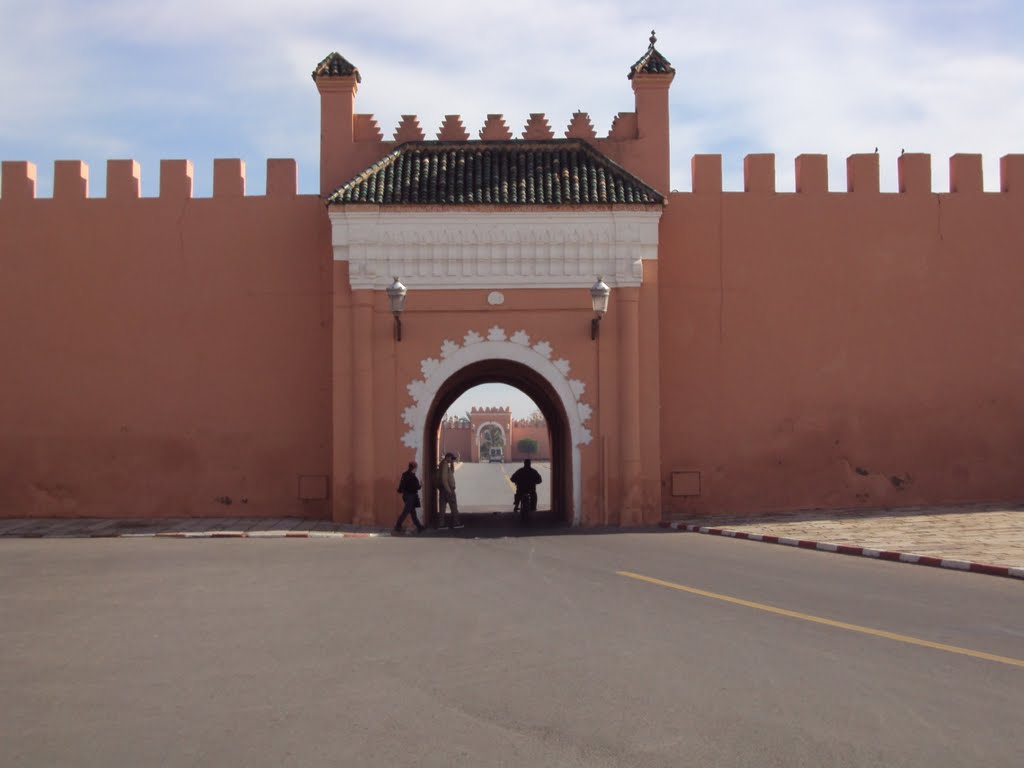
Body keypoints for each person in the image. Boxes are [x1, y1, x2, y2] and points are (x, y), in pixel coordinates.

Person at [393, 461, 424, 534]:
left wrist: (400, 490)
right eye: (416, 468)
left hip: (406, 496)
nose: (416, 469)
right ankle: (397, 526)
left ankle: (419, 526)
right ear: (414, 468)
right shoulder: (412, 476)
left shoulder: (405, 474)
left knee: (413, 513)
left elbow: (401, 485)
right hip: (411, 496)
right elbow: (416, 487)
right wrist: (421, 485)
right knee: (406, 512)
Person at [437, 452, 463, 529]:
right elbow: (444, 478)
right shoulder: (444, 464)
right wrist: (448, 490)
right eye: (451, 459)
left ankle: (441, 524)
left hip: (443, 489)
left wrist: (451, 464)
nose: (452, 460)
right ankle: (456, 523)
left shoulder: (444, 464)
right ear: (448, 457)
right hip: (447, 489)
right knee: (453, 506)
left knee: (442, 508)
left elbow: (452, 472)